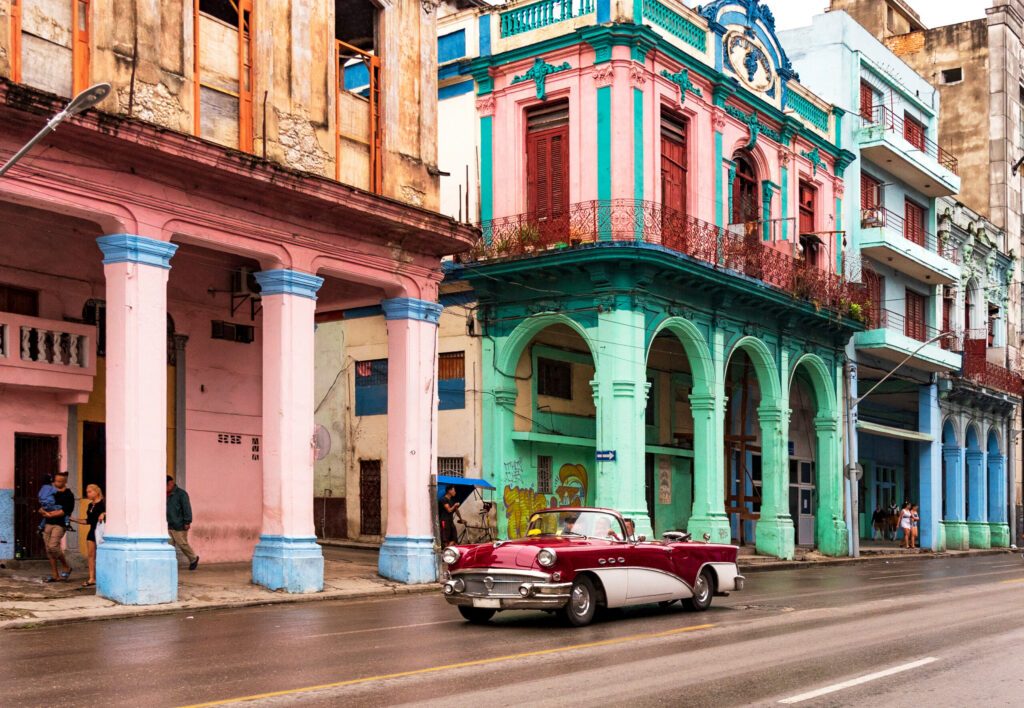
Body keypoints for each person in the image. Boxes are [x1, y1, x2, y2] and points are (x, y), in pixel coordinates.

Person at [38, 471, 74, 582]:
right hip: (48, 523)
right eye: (55, 480)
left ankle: (66, 566)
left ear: (65, 482)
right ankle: (55, 575)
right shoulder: (51, 491)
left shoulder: (68, 494)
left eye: (59, 481)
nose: (56, 483)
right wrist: (42, 511)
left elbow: (66, 510)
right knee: (49, 550)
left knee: (53, 546)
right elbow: (44, 505)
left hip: (60, 524)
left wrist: (50, 514)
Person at [72, 484, 105, 588]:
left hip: (102, 531)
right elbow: (88, 521)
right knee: (91, 555)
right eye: (87, 492)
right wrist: (74, 519)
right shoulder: (90, 505)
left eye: (90, 491)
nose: (88, 494)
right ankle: (92, 578)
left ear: (97, 492)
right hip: (92, 531)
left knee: (102, 554)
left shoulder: (104, 503)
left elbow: (114, 513)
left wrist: (104, 513)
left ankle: (102, 576)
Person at [166, 476, 199, 570]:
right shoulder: (165, 494)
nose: (165, 487)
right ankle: (170, 563)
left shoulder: (181, 494)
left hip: (179, 524)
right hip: (169, 524)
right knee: (169, 545)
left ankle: (193, 558)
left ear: (171, 483)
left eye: (167, 485)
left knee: (182, 544)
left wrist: (187, 521)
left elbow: (187, 508)